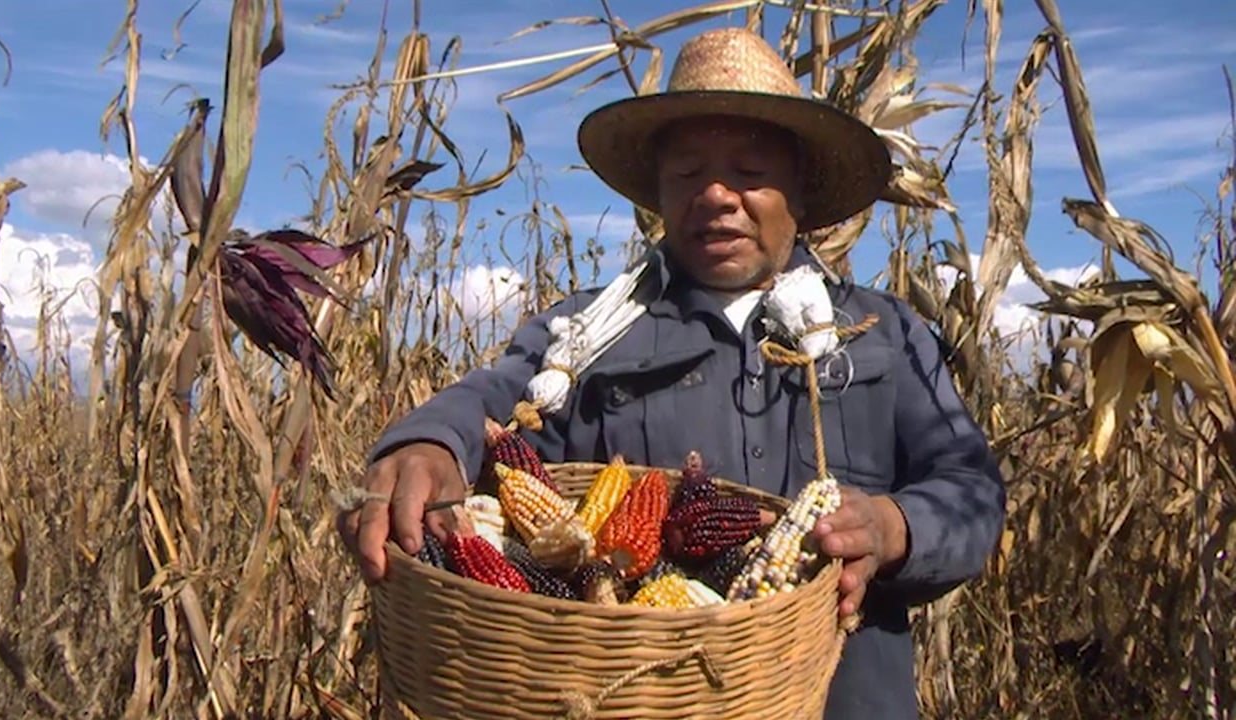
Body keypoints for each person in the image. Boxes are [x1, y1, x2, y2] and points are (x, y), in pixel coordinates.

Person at [337, 26, 1005, 719]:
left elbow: (971, 494)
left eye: (749, 173)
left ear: (799, 193)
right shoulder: (582, 335)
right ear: (658, 193)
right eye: (687, 174)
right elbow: (494, 399)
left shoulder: (884, 333)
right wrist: (429, 444)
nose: (715, 194)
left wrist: (895, 526)